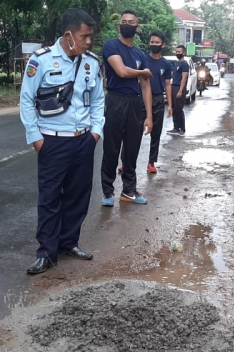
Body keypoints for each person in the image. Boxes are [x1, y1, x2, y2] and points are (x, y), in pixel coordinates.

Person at [19, 8, 104, 275]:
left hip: (83, 141)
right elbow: (26, 100)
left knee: (79, 196)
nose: (89, 41)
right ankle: (46, 252)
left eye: (90, 36)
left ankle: (69, 243)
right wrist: (36, 138)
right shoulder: (41, 61)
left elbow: (98, 101)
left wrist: (95, 133)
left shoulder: (91, 62)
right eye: (84, 36)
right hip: (52, 142)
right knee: (50, 198)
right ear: (68, 36)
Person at [100, 10, 153, 206]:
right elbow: (121, 71)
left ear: (137, 28)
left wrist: (149, 116)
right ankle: (108, 192)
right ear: (118, 26)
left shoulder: (140, 54)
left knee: (132, 149)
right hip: (115, 101)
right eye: (124, 21)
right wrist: (143, 72)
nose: (127, 24)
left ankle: (129, 191)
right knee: (111, 148)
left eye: (131, 22)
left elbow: (145, 86)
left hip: (135, 103)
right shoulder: (111, 45)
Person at [144, 31, 173, 173]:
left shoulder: (166, 64)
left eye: (157, 42)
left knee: (156, 132)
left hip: (158, 99)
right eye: (152, 42)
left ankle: (151, 162)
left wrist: (170, 105)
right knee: (133, 131)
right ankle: (127, 162)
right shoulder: (143, 60)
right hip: (141, 98)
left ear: (163, 45)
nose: (154, 44)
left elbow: (168, 84)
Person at [167, 45, 189, 137]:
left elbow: (184, 78)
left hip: (179, 88)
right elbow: (173, 74)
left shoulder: (185, 64)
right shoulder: (177, 64)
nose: (177, 53)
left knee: (179, 109)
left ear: (183, 53)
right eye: (176, 52)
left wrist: (180, 91)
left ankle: (182, 129)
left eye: (179, 52)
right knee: (174, 109)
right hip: (174, 87)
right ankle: (176, 127)